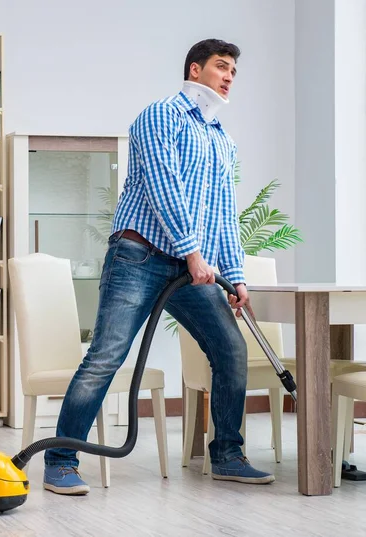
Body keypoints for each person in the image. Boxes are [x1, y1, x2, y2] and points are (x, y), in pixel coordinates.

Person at [42, 38, 276, 496]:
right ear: (195, 70)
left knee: (230, 350)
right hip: (140, 256)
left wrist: (235, 276)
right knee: (106, 356)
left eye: (234, 71)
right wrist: (192, 252)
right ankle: (61, 460)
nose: (229, 76)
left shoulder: (221, 138)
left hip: (193, 267)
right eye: (221, 66)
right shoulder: (159, 116)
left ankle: (227, 454)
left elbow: (224, 214)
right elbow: (162, 187)